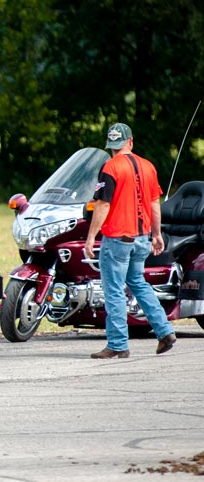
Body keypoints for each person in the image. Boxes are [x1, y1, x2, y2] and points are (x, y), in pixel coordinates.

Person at [83, 123, 177, 358]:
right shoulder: (148, 167)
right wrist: (156, 234)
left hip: (117, 239)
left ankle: (117, 344)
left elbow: (103, 205)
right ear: (130, 142)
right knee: (137, 282)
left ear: (111, 145)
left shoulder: (110, 167)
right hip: (141, 238)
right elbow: (155, 204)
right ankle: (165, 331)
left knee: (113, 289)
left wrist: (91, 236)